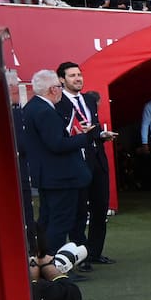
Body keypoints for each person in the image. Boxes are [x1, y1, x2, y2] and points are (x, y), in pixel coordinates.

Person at [23, 70, 109, 258]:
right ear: (53, 89)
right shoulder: (45, 111)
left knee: (46, 219)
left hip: (48, 175)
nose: (61, 91)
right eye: (60, 87)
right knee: (60, 222)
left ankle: (43, 261)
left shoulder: (32, 108)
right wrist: (85, 138)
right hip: (60, 177)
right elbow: (57, 144)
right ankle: (54, 264)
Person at [55, 62, 116, 270]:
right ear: (62, 80)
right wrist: (79, 133)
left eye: (79, 75)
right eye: (72, 75)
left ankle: (95, 252)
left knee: (100, 208)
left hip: (97, 158)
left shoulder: (89, 99)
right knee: (79, 211)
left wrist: (100, 134)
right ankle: (79, 255)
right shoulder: (58, 102)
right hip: (76, 161)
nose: (77, 78)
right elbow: (60, 134)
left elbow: (93, 127)